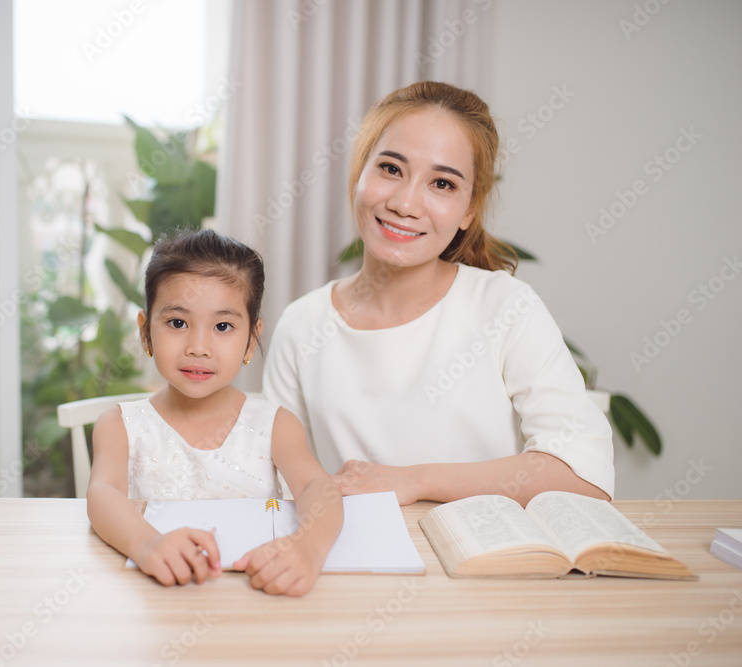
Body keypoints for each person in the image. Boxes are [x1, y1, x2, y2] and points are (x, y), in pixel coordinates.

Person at [263, 81, 615, 507]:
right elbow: (279, 487)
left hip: (484, 560)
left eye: (443, 184)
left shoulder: (506, 307)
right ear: (359, 172)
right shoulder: (302, 325)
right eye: (391, 169)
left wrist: (415, 481)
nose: (406, 204)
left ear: (470, 208)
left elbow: (584, 474)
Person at [87, 229, 343, 596]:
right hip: (157, 595)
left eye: (223, 326)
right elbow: (102, 494)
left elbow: (320, 489)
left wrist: (308, 548)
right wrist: (148, 545)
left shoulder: (277, 425)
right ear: (146, 333)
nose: (199, 347)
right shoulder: (118, 426)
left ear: (251, 340)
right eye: (177, 323)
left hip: (254, 595)